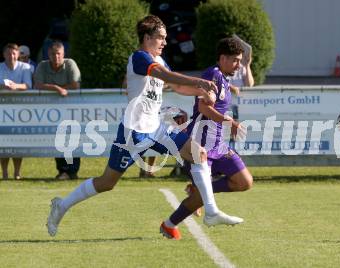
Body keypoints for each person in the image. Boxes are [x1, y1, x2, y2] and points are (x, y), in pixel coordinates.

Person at [46, 15, 243, 237]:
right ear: (147, 37)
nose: (165, 42)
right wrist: (199, 82)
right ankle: (61, 205)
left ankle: (211, 210)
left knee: (199, 153)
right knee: (107, 182)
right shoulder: (139, 57)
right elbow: (163, 75)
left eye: (165, 38)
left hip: (158, 127)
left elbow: (175, 85)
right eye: (161, 37)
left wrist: (200, 91)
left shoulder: (159, 60)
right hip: (134, 133)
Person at [160, 37, 253, 240]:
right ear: (222, 58)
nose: (239, 65)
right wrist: (230, 122)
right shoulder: (213, 74)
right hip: (200, 143)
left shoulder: (224, 79)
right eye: (235, 60)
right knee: (202, 198)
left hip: (218, 144)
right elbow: (203, 107)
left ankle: (199, 189)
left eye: (240, 60)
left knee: (244, 182)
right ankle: (169, 225)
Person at [34, 41, 82, 180]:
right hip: (51, 112)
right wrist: (57, 89)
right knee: (57, 140)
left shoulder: (70, 64)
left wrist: (55, 88)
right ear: (48, 54)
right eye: (53, 54)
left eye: (59, 54)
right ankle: (62, 171)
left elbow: (75, 85)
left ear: (63, 54)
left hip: (71, 109)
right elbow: (37, 85)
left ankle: (72, 171)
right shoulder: (42, 66)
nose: (56, 57)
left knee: (72, 138)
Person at [0, 43, 33, 180]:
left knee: (18, 142)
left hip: (21, 111)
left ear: (18, 55)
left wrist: (15, 86)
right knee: (3, 142)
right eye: (8, 53)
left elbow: (28, 85)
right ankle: (5, 173)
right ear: (4, 55)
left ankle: (17, 172)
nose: (11, 56)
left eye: (14, 53)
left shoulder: (26, 67)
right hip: (2, 109)